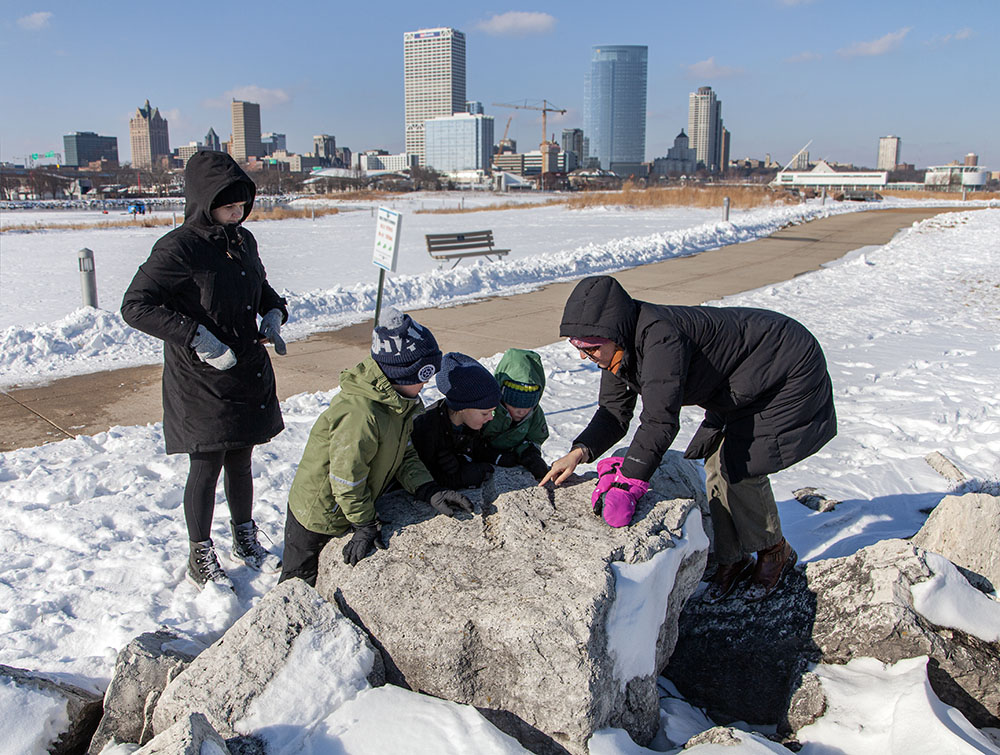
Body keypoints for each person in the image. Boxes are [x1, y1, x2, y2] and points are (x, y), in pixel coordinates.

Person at [539, 275, 836, 602]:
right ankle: (733, 558)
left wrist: (629, 482)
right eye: (577, 346)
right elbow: (613, 413)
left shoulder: (660, 339)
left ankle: (774, 551)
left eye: (590, 347)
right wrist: (579, 452)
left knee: (741, 468)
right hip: (742, 381)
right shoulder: (618, 349)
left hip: (785, 368)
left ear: (613, 332)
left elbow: (660, 421)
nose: (585, 356)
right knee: (716, 465)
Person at [121, 150, 288, 591]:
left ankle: (245, 536)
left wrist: (273, 313)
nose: (237, 214)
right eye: (228, 206)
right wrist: (196, 336)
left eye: (242, 206)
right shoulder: (178, 247)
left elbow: (262, 289)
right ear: (204, 201)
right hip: (199, 375)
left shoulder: (242, 240)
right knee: (207, 462)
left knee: (242, 457)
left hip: (244, 369)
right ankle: (200, 552)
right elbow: (135, 306)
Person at [279, 308, 473, 587]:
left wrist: (428, 489)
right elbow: (347, 480)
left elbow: (403, 453)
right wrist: (364, 524)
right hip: (317, 516)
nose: (429, 381)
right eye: (425, 374)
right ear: (405, 373)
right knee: (299, 581)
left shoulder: (398, 404)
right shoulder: (362, 414)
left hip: (347, 507)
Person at [411, 352, 502, 489]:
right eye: (485, 413)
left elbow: (477, 448)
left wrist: (497, 457)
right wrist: (458, 477)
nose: (491, 418)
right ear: (462, 408)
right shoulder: (426, 429)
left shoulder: (470, 422)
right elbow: (415, 476)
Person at [481, 348, 551, 481]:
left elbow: (535, 438)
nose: (522, 411)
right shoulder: (488, 409)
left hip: (512, 459)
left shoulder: (535, 414)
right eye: (514, 404)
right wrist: (489, 454)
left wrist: (529, 453)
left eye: (528, 404)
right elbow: (468, 437)